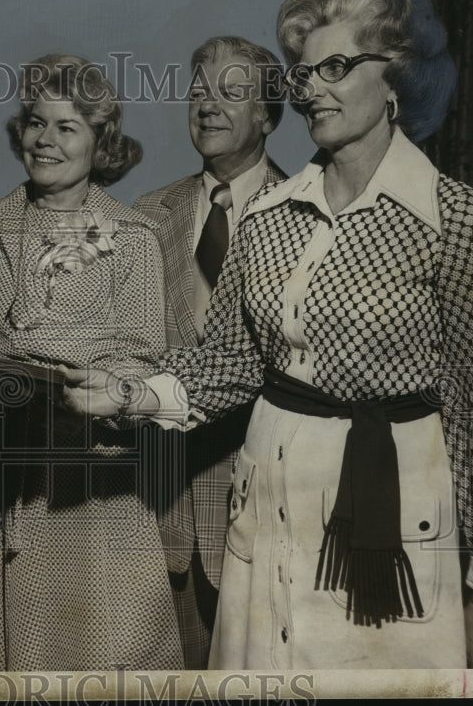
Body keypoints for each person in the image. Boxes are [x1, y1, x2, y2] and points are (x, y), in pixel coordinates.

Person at [65, 0, 473, 669]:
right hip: (266, 504)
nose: (311, 89)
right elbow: (228, 363)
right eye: (304, 72)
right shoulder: (267, 216)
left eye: (336, 67)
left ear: (396, 78)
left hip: (392, 516)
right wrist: (130, 395)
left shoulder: (452, 217)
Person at [0, 53, 183, 670]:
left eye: (67, 127)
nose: (46, 139)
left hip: (92, 482)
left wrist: (89, 382)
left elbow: (143, 359)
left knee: (97, 658)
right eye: (36, 122)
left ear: (100, 141)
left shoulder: (133, 236)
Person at [133, 36, 286, 668]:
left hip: (265, 506)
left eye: (231, 93)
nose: (208, 105)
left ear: (267, 115)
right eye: (199, 91)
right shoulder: (147, 216)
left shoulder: (303, 211)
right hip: (160, 505)